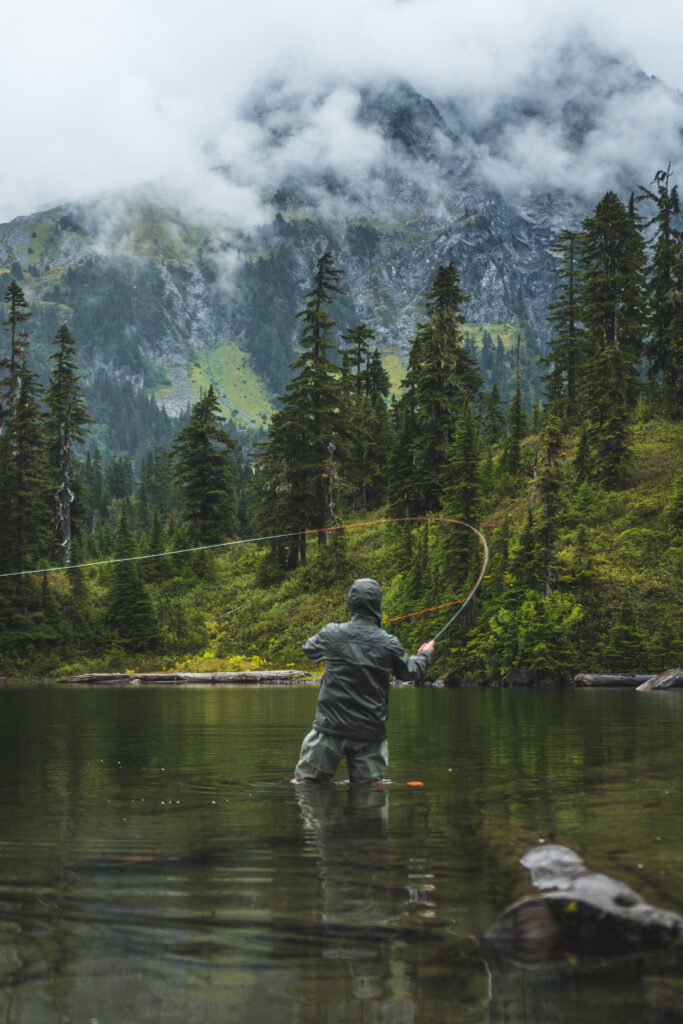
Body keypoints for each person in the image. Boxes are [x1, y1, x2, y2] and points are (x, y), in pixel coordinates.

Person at [293, 577, 435, 784]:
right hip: (369, 734)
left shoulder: (332, 633)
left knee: (306, 786)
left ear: (351, 604)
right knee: (370, 793)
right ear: (378, 605)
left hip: (329, 729)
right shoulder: (389, 643)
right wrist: (425, 654)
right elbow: (411, 673)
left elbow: (309, 648)